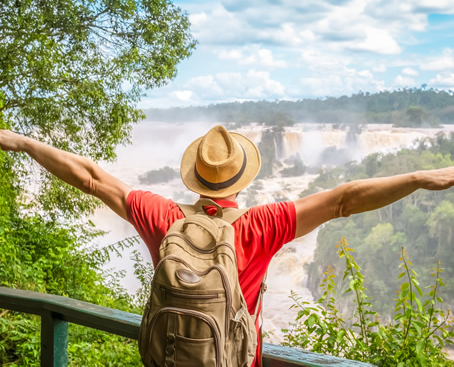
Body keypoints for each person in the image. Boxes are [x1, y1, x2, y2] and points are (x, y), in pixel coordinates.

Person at [2, 124, 454, 366]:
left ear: (194, 179)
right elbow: (343, 199)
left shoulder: (163, 218)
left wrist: (23, 143)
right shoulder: (262, 224)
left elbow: (91, 178)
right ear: (243, 178)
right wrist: (416, 178)